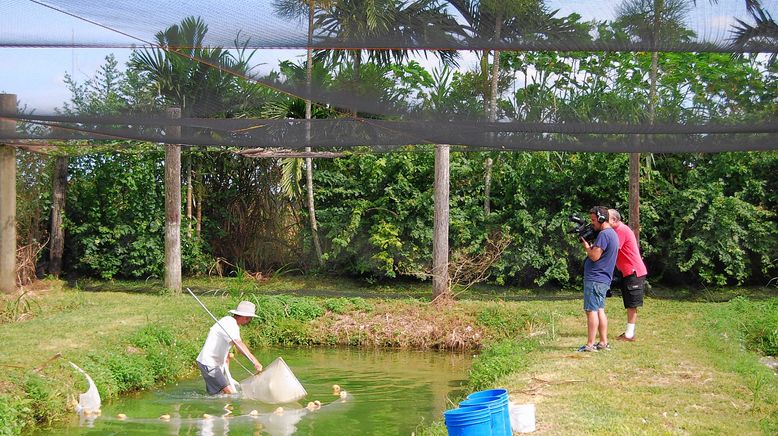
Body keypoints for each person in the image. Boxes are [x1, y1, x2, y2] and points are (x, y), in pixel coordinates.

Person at [196, 300, 263, 395]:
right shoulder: (230, 324)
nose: (250, 321)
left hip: (214, 364)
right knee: (229, 393)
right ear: (245, 317)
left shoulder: (230, 323)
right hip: (209, 363)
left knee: (217, 395)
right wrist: (255, 362)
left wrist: (226, 365)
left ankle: (216, 408)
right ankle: (226, 409)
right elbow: (238, 343)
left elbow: (224, 348)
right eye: (250, 318)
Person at [577, 206, 619, 352]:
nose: (592, 223)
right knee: (599, 310)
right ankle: (603, 342)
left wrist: (587, 247)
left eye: (594, 220)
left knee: (591, 311)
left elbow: (595, 256)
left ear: (601, 218)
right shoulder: (612, 233)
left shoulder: (604, 235)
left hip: (595, 278)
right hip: (602, 279)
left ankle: (590, 345)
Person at [608, 209, 648, 342]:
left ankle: (629, 335)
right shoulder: (616, 230)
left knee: (632, 303)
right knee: (629, 302)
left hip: (633, 271)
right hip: (628, 271)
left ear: (615, 220)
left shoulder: (621, 230)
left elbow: (613, 249)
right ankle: (629, 333)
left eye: (606, 218)